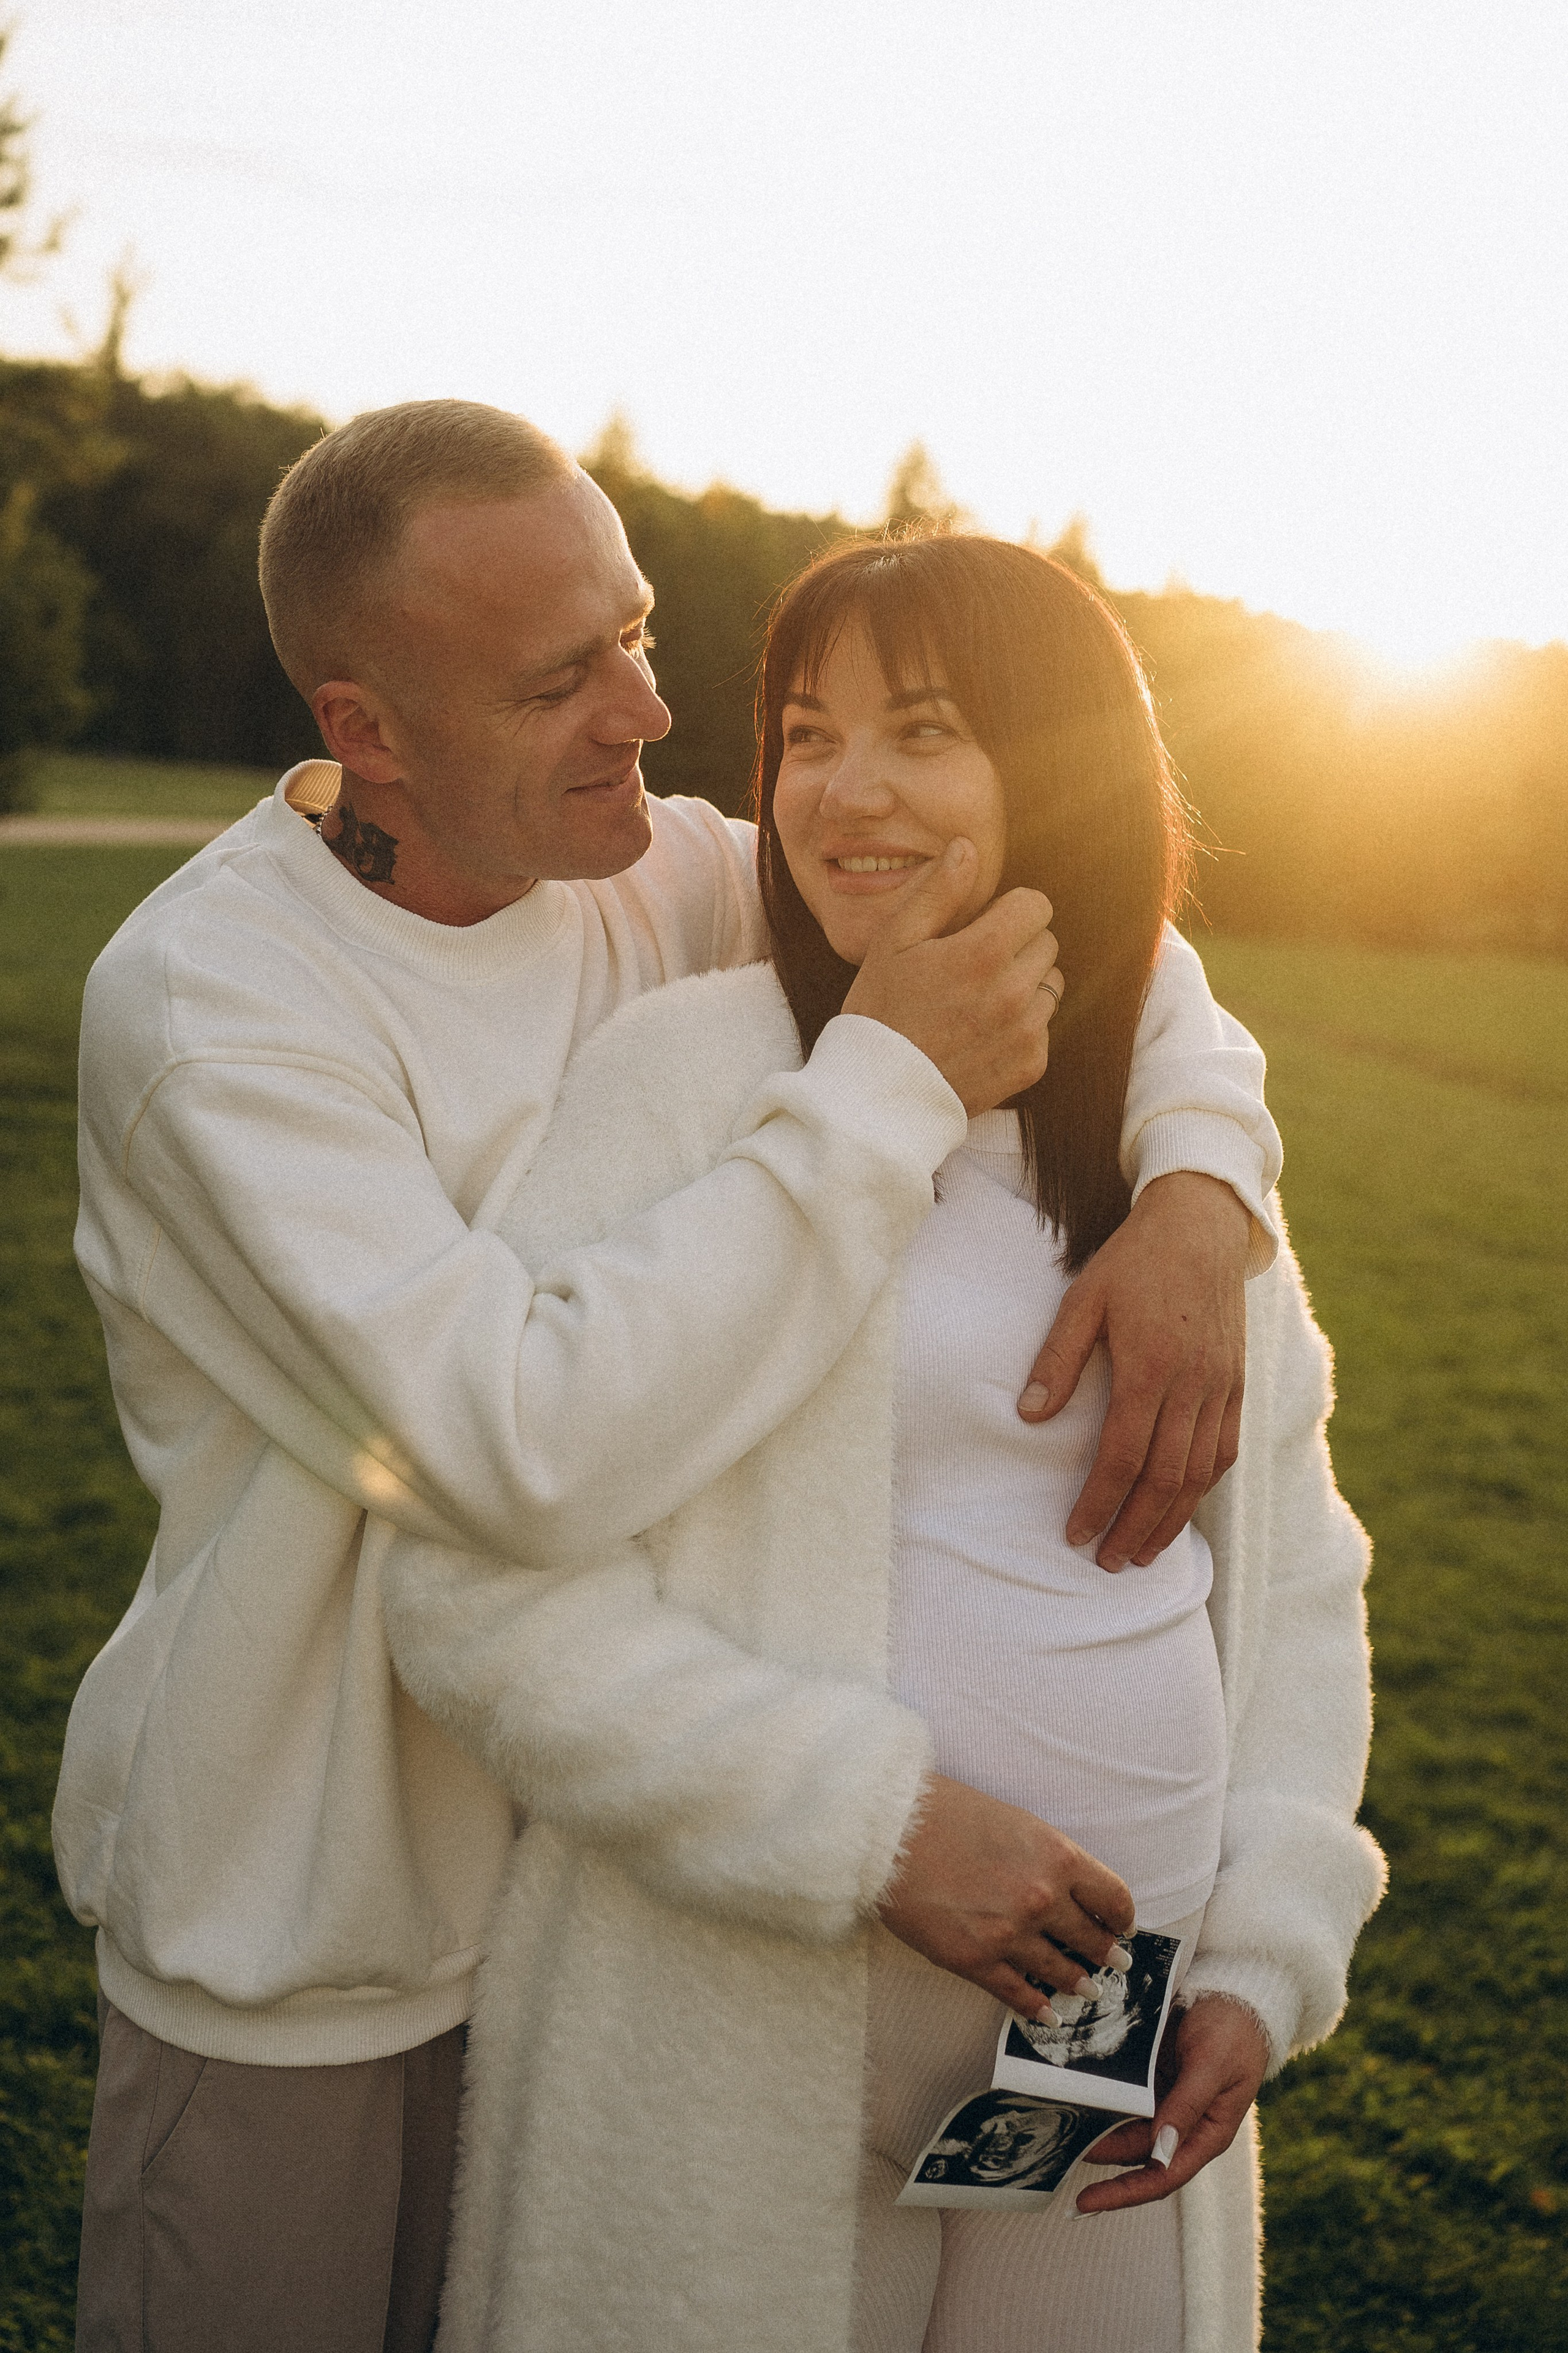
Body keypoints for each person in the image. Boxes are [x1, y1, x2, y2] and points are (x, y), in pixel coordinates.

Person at [54, 405, 1284, 2352]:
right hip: (323, 1920)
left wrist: (1208, 1177)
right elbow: (509, 1448)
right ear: (368, 729)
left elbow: (1050, 889)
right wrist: (882, 1085)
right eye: (564, 678)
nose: (644, 710)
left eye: (638, 635)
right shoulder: (222, 1015)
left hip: (626, 1923)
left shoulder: (640, 866)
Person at [389, 531, 1385, 2353]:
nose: (844, 792)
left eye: (921, 730)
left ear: (1058, 767)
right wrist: (873, 1824)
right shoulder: (687, 1079)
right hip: (743, 2008)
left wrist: (1266, 1945)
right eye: (806, 734)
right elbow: (472, 1590)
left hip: (1102, 2033)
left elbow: (1299, 1574)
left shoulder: (1167, 1158)